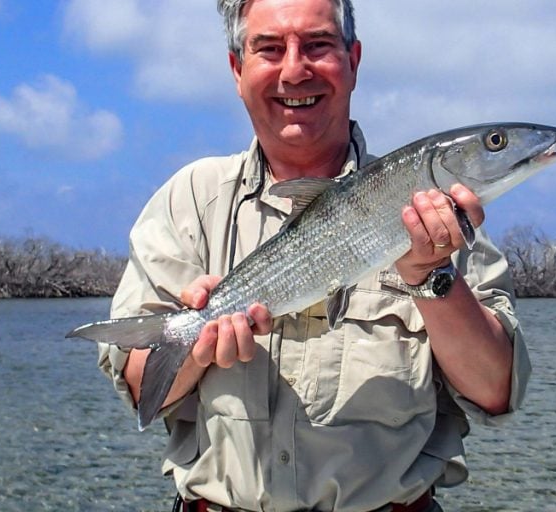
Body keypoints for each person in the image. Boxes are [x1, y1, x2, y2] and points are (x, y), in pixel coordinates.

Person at [98, 0, 531, 510]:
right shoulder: (189, 200)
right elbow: (138, 384)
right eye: (270, 48)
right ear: (238, 70)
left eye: (318, 45)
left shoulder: (444, 219)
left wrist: (432, 276)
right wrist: (195, 344)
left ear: (354, 61)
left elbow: (495, 391)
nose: (295, 70)